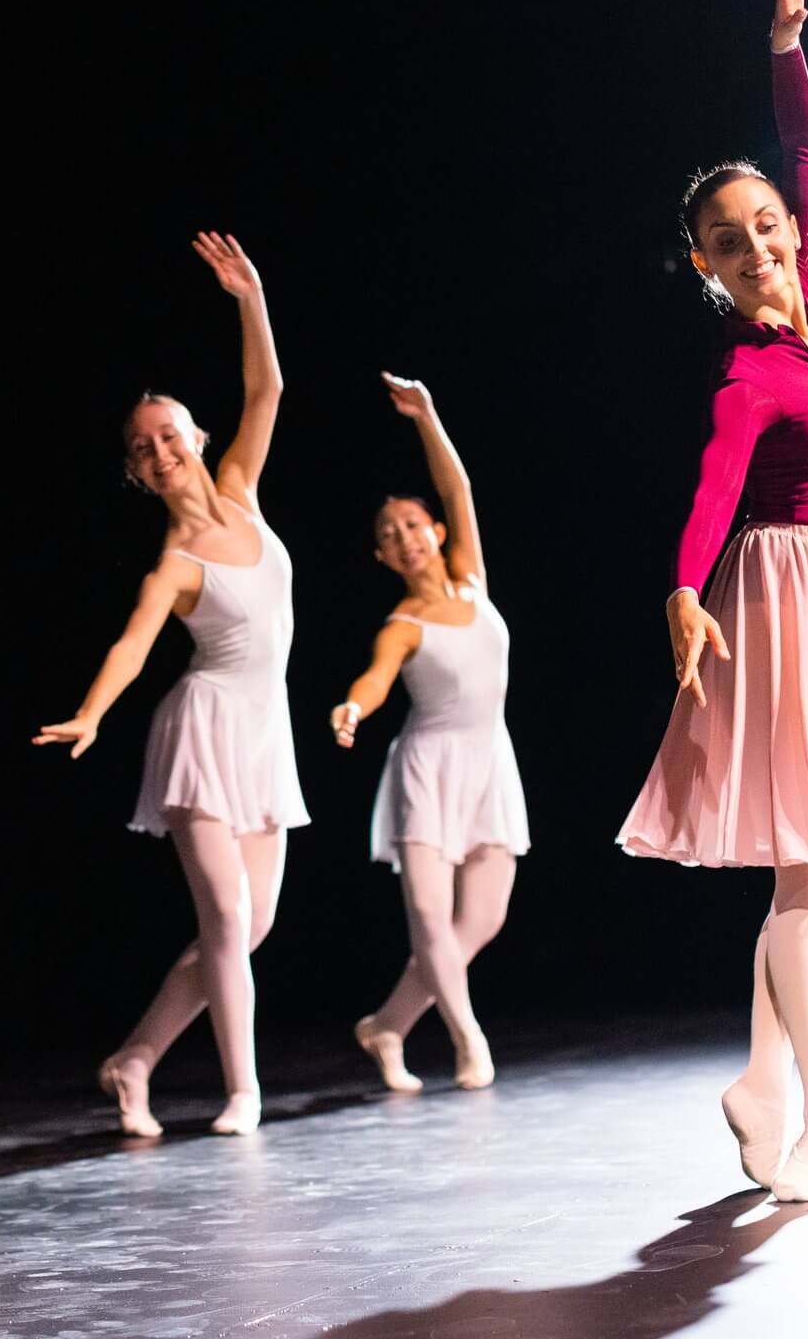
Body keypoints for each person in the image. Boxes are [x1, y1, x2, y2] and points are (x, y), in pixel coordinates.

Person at [618, 0, 808, 1203]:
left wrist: (785, 44)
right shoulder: (747, 372)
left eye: (767, 224)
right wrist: (684, 587)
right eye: (730, 241)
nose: (760, 243)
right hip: (777, 601)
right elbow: (715, 487)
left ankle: (764, 1082)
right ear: (707, 268)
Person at [36, 233, 301, 1139]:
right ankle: (242, 1090)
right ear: (139, 469)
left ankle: (135, 1057)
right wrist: (90, 713)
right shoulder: (175, 561)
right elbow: (133, 646)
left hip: (265, 732)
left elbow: (265, 389)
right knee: (224, 916)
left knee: (247, 928)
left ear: (196, 438)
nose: (159, 450)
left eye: (168, 434)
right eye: (142, 447)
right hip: (202, 732)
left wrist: (249, 297)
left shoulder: (242, 490)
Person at [331, 372, 527, 1095]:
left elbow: (460, 489)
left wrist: (428, 417)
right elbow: (376, 678)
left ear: (436, 533)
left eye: (412, 526)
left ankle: (385, 1026)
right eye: (389, 537)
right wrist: (353, 707)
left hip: (489, 763)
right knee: (428, 916)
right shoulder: (401, 624)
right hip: (426, 767)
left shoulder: (474, 581)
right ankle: (467, 1038)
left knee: (481, 918)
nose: (403, 538)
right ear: (382, 559)